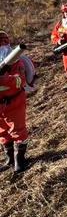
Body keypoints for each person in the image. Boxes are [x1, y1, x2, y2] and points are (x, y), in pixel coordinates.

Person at [0, 31, 29, 173]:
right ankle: (10, 158)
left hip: (14, 102)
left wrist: (4, 80)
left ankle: (20, 160)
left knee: (18, 131)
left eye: (4, 42)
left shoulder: (17, 61)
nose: (2, 45)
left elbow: (20, 80)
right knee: (3, 132)